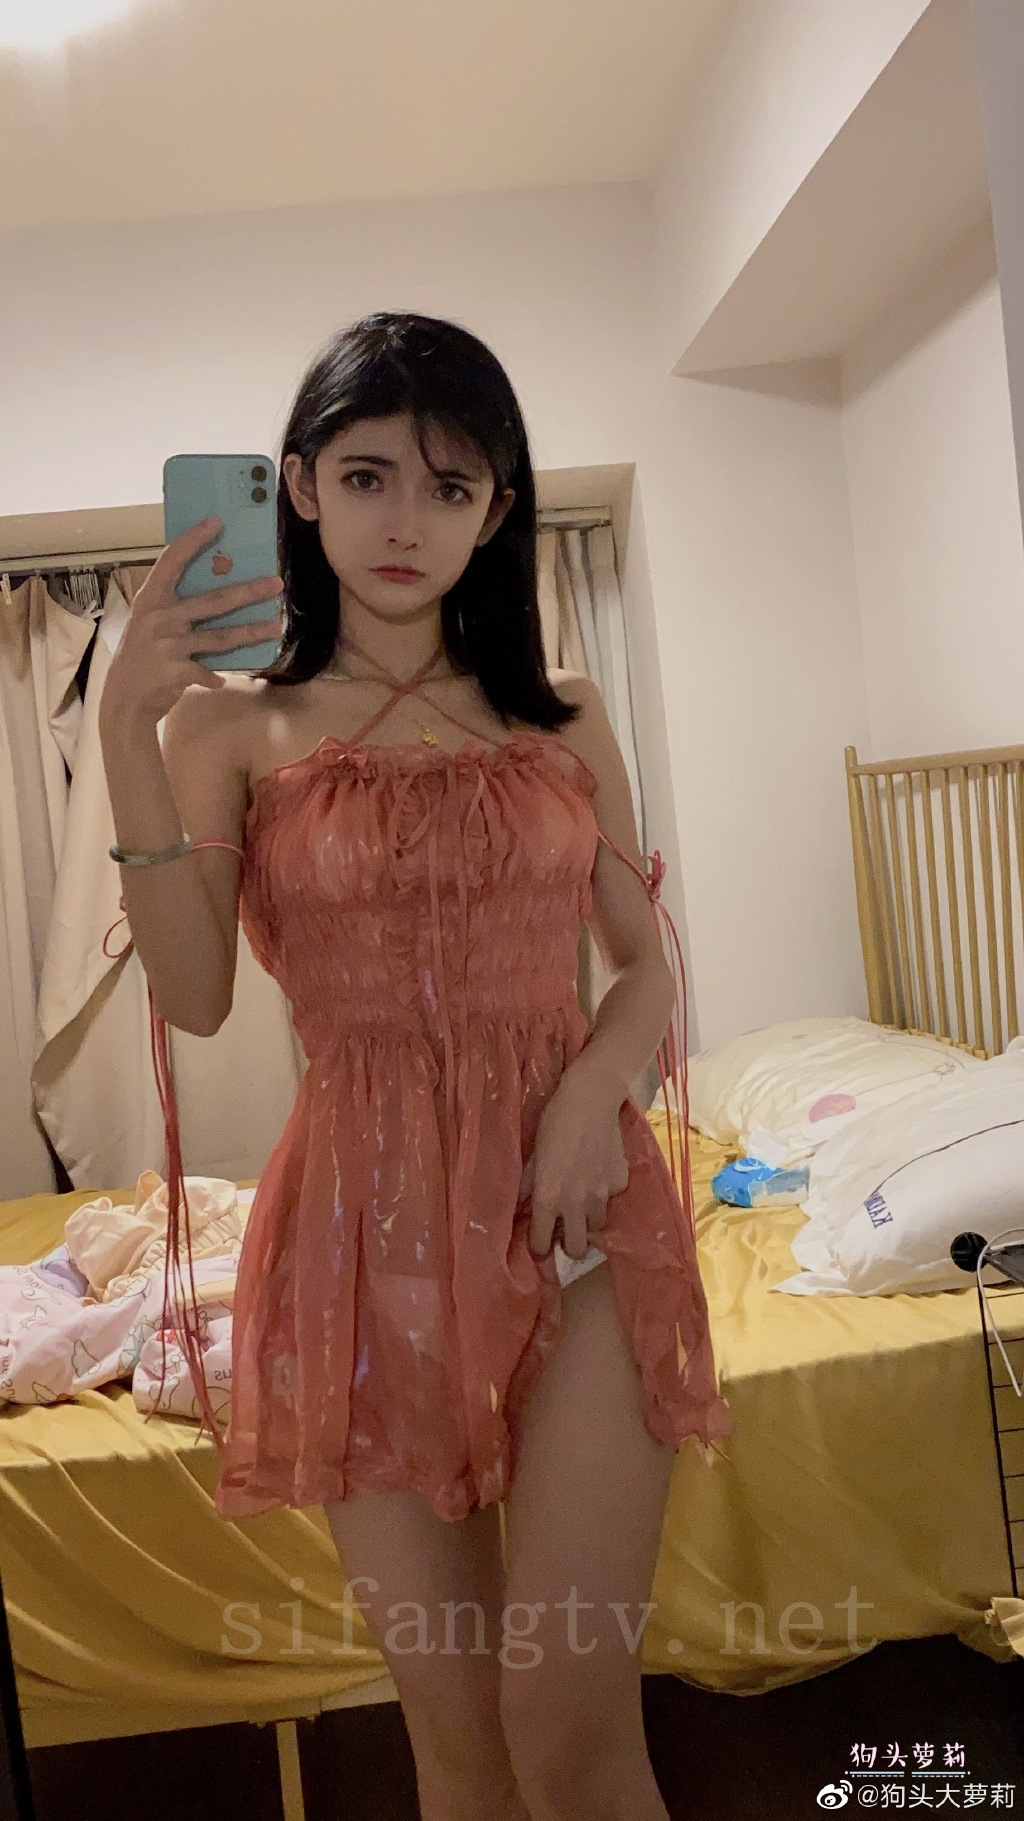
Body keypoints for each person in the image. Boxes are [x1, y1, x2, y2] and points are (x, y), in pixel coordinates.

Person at [99, 312, 733, 1821]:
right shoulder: (228, 729)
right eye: (368, 475)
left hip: (578, 1217)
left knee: (567, 1721)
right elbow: (193, 998)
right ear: (299, 486)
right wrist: (126, 722)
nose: (406, 522)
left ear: (497, 510)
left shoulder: (560, 712)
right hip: (358, 1238)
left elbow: (645, 963)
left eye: (450, 487)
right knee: (458, 1745)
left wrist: (594, 1095)